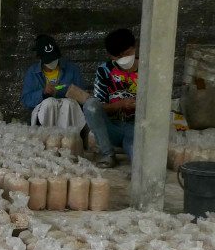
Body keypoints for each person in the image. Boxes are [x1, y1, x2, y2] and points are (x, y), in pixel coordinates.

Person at [67, 27, 138, 168]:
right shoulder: (105, 71)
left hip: (138, 128)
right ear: (110, 55)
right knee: (90, 105)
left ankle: (139, 167)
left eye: (127, 54)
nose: (124, 59)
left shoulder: (148, 68)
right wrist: (120, 104)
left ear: (135, 47)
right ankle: (108, 154)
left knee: (134, 149)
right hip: (113, 128)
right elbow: (100, 107)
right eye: (118, 57)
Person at [19, 34, 85, 129]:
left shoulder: (71, 69)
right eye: (49, 60)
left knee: (68, 104)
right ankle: (48, 137)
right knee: (49, 102)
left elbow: (81, 97)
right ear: (41, 58)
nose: (52, 62)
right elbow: (26, 100)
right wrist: (43, 93)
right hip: (45, 114)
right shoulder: (33, 72)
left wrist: (68, 91)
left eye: (54, 58)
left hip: (68, 113)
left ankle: (68, 137)